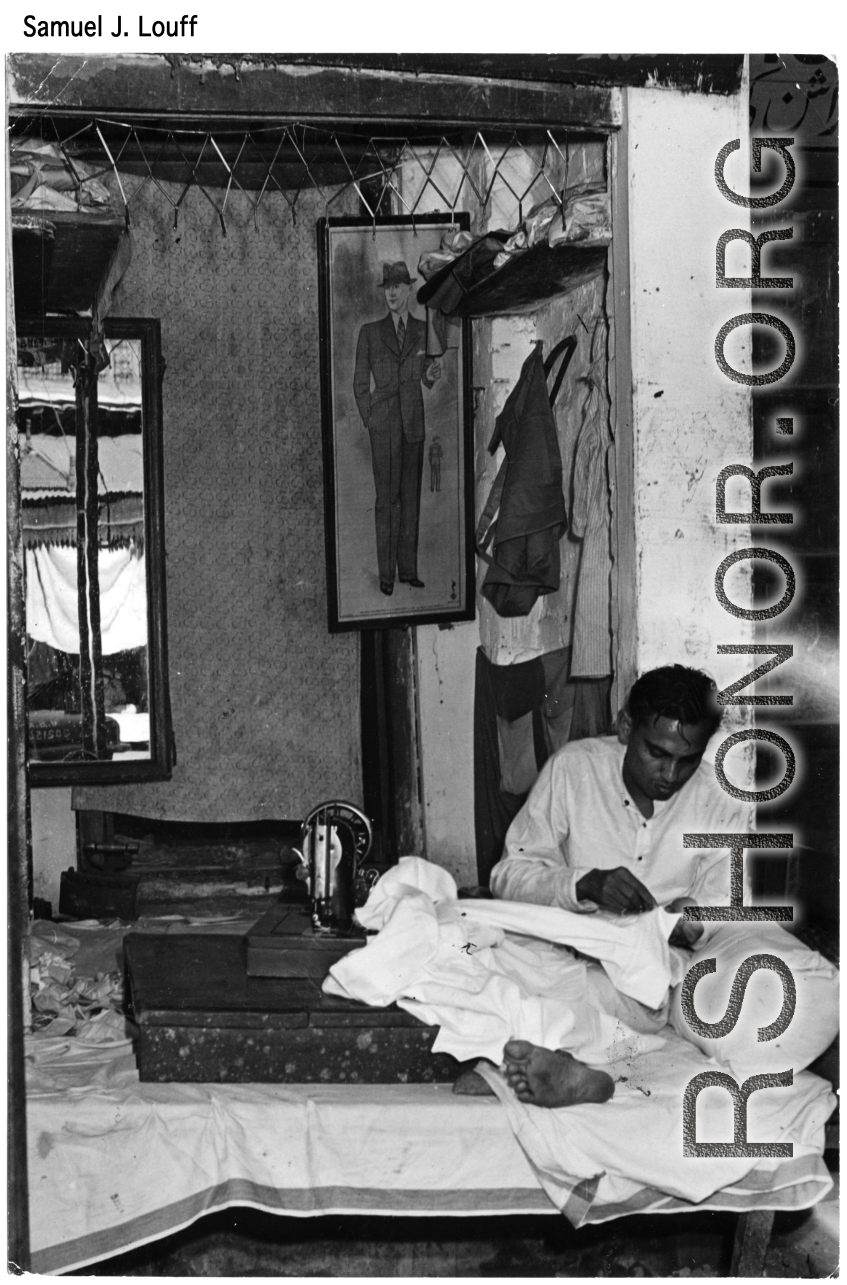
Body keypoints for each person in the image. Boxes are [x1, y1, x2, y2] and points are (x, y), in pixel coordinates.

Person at [460, 665, 839, 1108]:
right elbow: (510, 873)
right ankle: (567, 1062)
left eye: (687, 759)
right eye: (656, 753)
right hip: (560, 946)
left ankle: (570, 1068)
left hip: (644, 979)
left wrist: (683, 920)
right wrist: (583, 885)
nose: (670, 774)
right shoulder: (574, 769)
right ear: (625, 727)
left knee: (583, 994)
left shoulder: (720, 800)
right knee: (461, 942)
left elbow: (723, 901)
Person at [353, 262, 442, 596]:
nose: (390, 293)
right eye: (386, 287)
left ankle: (408, 571)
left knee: (410, 500)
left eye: (397, 286)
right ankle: (387, 575)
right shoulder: (370, 333)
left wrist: (429, 377)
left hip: (413, 425)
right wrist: (370, 419)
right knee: (387, 502)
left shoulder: (422, 329)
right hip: (384, 425)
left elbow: (425, 375)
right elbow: (360, 384)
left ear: (408, 290)